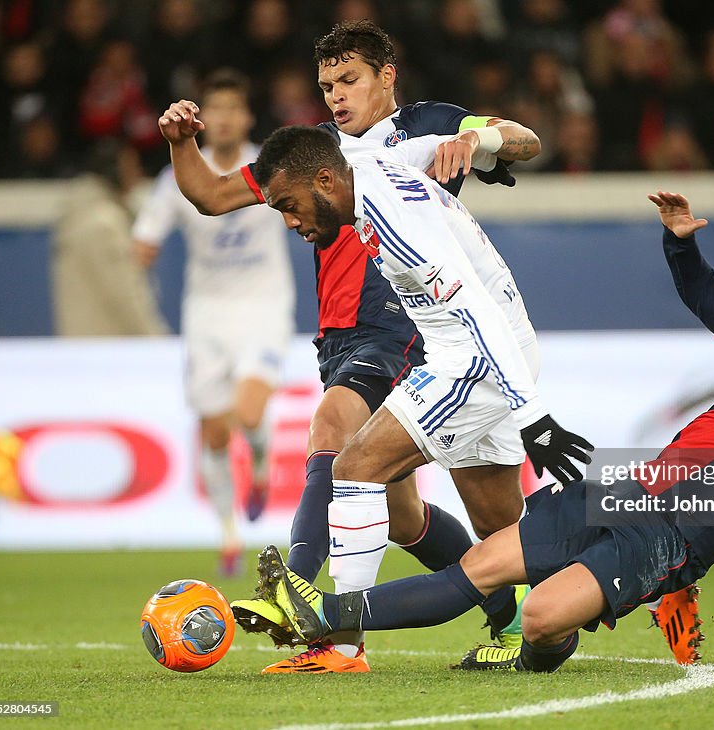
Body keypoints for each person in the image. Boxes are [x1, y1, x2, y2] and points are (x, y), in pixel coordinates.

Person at [245, 190, 714, 674]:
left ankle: (550, 647)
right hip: (627, 489)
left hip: (679, 531)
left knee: (544, 618)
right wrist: (679, 246)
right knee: (483, 567)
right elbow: (711, 305)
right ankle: (324, 616)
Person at [155, 19, 571, 673]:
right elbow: (209, 195)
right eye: (326, 86)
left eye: (349, 80)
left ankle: (310, 606)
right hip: (345, 337)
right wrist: (184, 144)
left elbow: (525, 140)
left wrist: (480, 138)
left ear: (387, 77)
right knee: (421, 516)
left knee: (340, 440)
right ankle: (532, 607)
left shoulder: (427, 131)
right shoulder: (314, 154)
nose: (338, 96)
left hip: (415, 331)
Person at [133, 69, 296, 576]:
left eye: (233, 108)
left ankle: (264, 465)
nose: (223, 118)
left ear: (247, 117)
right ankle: (229, 535)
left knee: (247, 414)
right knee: (213, 433)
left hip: (264, 305)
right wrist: (142, 251)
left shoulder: (269, 166)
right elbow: (145, 238)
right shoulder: (177, 175)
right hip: (205, 313)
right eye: (215, 108)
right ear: (202, 117)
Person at [51, 140, 169, 337]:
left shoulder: (78, 216)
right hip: (107, 350)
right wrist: (157, 341)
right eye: (132, 167)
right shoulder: (104, 224)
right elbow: (126, 295)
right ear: (114, 171)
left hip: (80, 346)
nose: (138, 175)